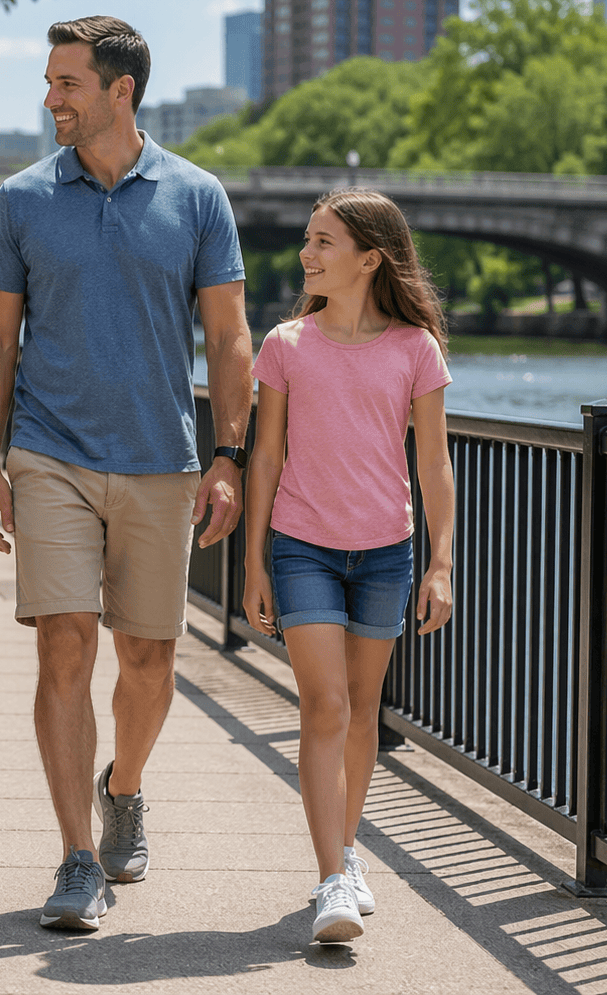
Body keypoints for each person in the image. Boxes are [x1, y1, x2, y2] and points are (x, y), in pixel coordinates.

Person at [0, 16, 253, 931]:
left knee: (148, 659)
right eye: (49, 82)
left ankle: (123, 787)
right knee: (65, 646)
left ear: (119, 90)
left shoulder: (197, 196)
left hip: (161, 459)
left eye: (67, 83)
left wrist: (229, 456)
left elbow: (229, 336)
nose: (50, 98)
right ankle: (76, 858)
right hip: (48, 453)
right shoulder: (20, 199)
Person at [243, 187, 455, 944]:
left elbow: (434, 464)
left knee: (364, 711)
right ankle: (331, 877)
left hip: (386, 553)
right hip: (303, 546)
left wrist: (441, 562)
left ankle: (348, 848)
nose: (307, 253)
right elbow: (266, 458)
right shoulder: (285, 345)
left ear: (370, 258)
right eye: (308, 239)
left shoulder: (415, 349)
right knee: (325, 706)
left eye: (323, 241)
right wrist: (254, 562)